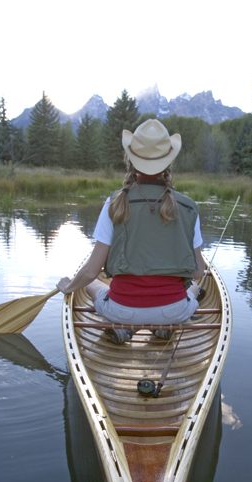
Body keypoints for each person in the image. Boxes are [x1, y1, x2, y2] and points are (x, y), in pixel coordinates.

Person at [57, 119, 205, 343]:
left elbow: (90, 272)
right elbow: (197, 272)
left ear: (131, 160)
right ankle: (164, 327)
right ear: (169, 162)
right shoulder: (188, 207)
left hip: (121, 310)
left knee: (90, 283)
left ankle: (127, 329)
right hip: (173, 311)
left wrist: (69, 287)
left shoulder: (114, 203)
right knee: (194, 287)